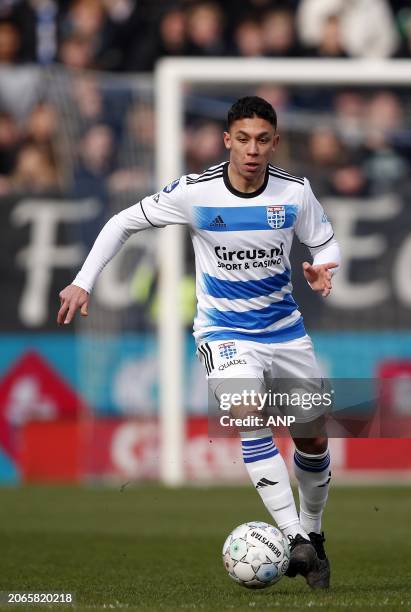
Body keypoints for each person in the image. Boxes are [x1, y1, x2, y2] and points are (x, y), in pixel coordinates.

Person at [57, 96, 340, 589]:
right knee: (249, 417)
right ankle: (292, 534)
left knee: (313, 439)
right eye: (243, 139)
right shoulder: (195, 191)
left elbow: (325, 241)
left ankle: (313, 539)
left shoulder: (295, 193)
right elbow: (121, 221)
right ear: (227, 140)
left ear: (275, 143)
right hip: (225, 333)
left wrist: (323, 265)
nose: (253, 150)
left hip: (285, 331)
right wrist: (84, 280)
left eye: (263, 140)